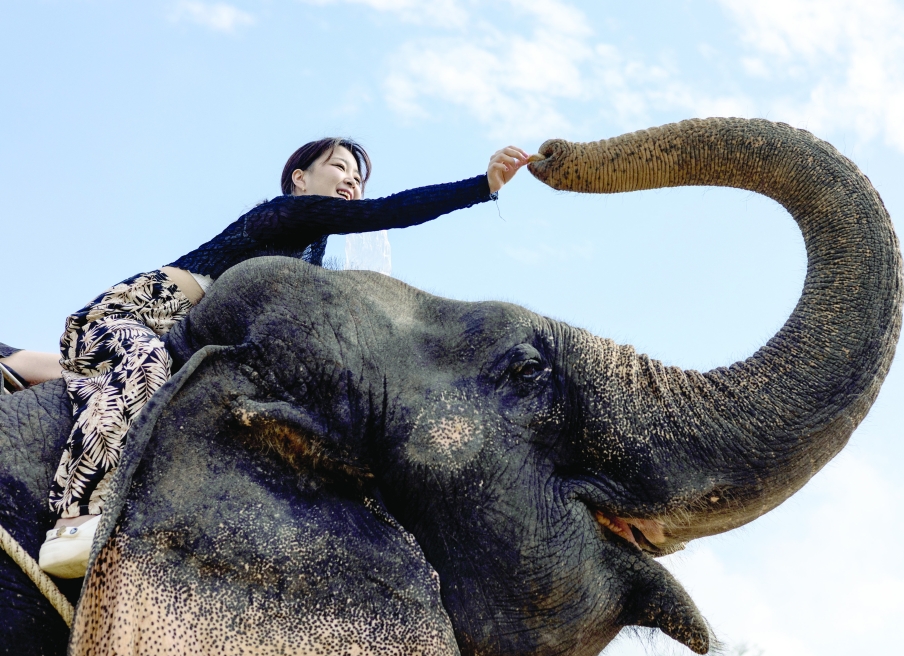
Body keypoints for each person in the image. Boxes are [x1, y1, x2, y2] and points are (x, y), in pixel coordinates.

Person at [3, 137, 529, 578]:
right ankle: (76, 515)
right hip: (130, 315)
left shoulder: (311, 253)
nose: (351, 180)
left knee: (154, 376)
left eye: (358, 176)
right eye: (338, 167)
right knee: (146, 369)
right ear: (300, 179)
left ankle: (12, 362)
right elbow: (386, 212)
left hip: (168, 342)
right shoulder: (286, 214)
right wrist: (480, 187)